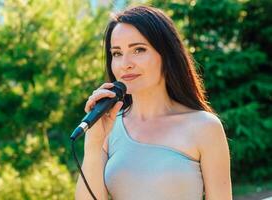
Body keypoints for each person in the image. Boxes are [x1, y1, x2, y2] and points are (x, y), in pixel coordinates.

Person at [75, 5, 232, 200]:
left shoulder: (204, 127)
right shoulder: (108, 127)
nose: (125, 63)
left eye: (138, 50)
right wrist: (93, 145)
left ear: (167, 55)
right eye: (117, 53)